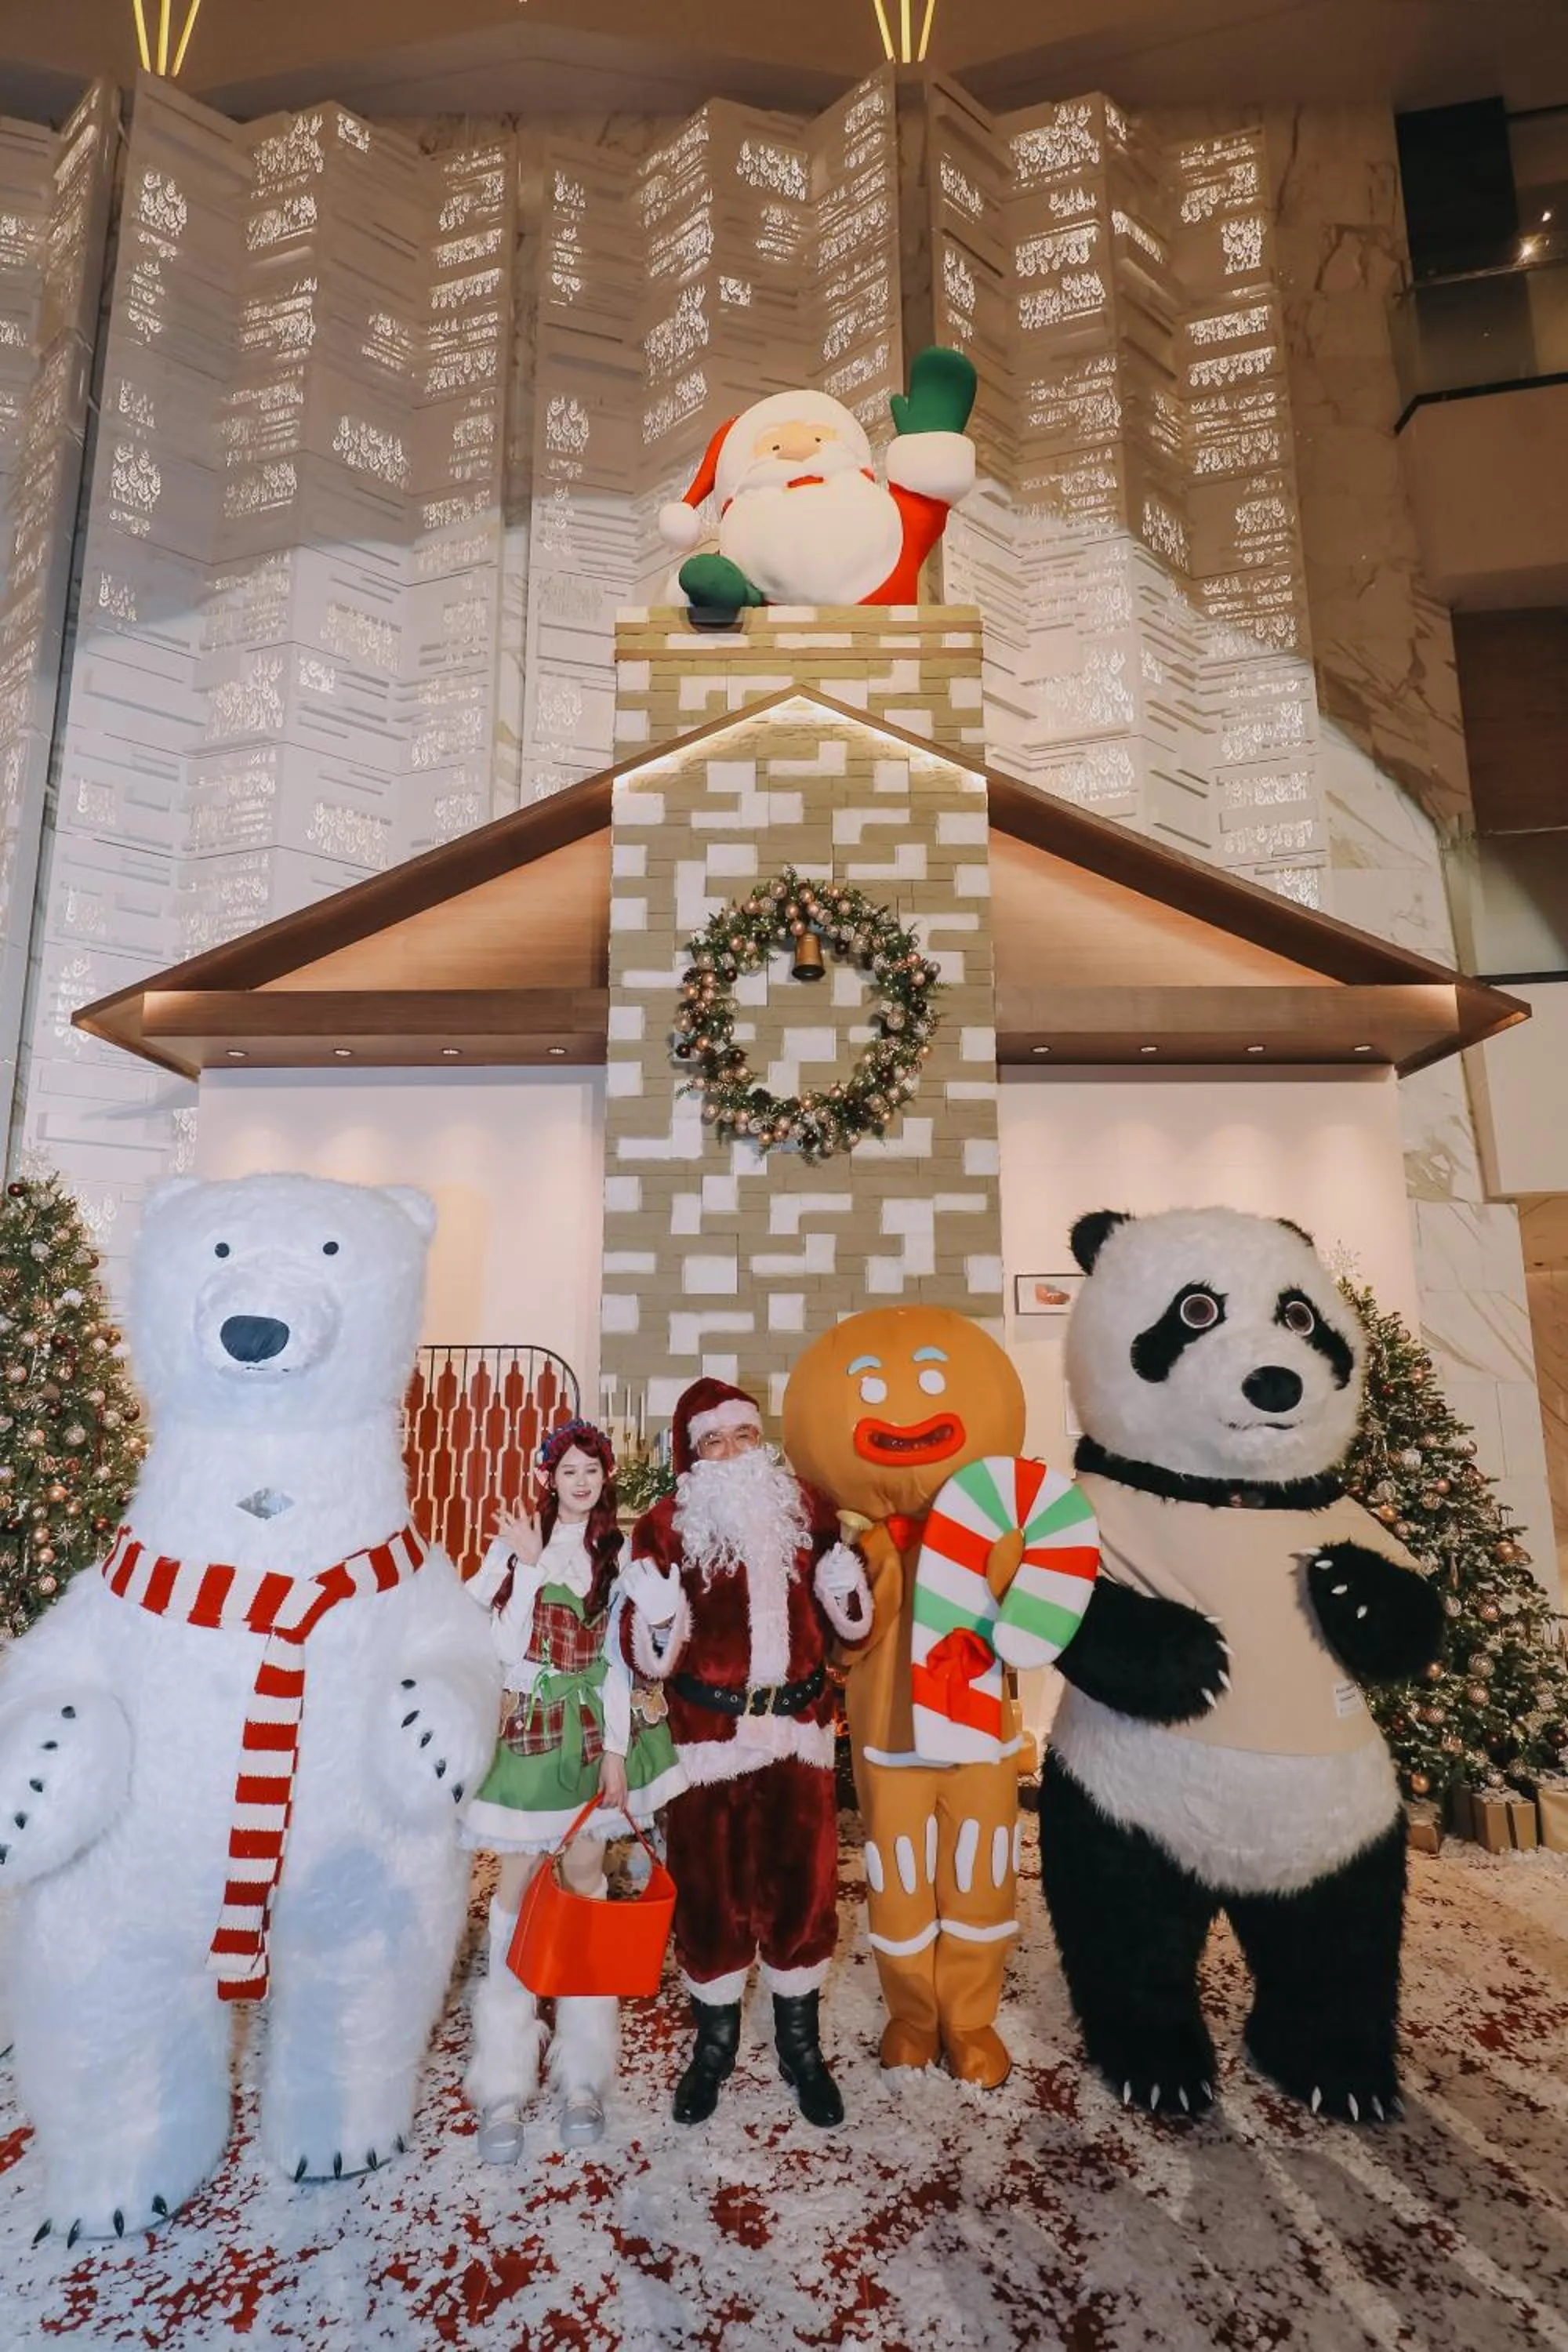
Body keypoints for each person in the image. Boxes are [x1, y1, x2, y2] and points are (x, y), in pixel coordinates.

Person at [619, 1377, 872, 2129]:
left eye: (744, 1438)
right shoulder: (664, 1527)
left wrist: (843, 1589)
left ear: (762, 1440)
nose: (732, 1455)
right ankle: (715, 2049)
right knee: (711, 1898)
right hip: (708, 1743)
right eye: (714, 1443)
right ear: (692, 1457)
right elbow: (647, 1659)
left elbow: (854, 1631)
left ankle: (803, 2048)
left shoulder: (809, 1510)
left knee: (804, 1896)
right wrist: (659, 1620)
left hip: (798, 1736)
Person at [461, 1418, 684, 2161]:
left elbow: (619, 1664)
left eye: (593, 1470)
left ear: (604, 1477)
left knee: (587, 1882)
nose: (581, 1482)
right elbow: (495, 1647)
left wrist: (618, 1753)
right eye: (569, 1471)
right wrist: (524, 1565)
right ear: (549, 1478)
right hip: (530, 1737)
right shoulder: (517, 1541)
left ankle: (583, 2073)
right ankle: (502, 2083)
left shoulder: (618, 1555)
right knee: (519, 1891)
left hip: (592, 1740)